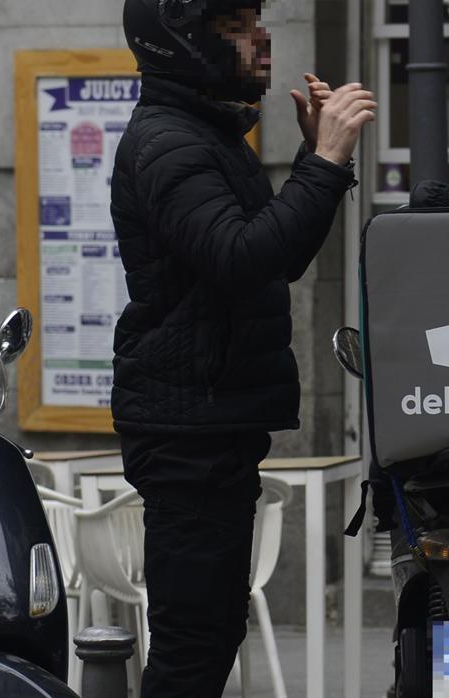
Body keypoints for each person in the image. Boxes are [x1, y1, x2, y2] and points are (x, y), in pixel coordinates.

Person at [110, 0, 375, 694]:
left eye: (257, 21)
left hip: (208, 423)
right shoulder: (171, 142)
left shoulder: (207, 134)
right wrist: (325, 162)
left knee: (213, 632)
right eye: (236, 25)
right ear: (183, 41)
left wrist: (312, 157)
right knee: (192, 646)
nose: (262, 40)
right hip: (185, 428)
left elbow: (271, 252)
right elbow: (241, 256)